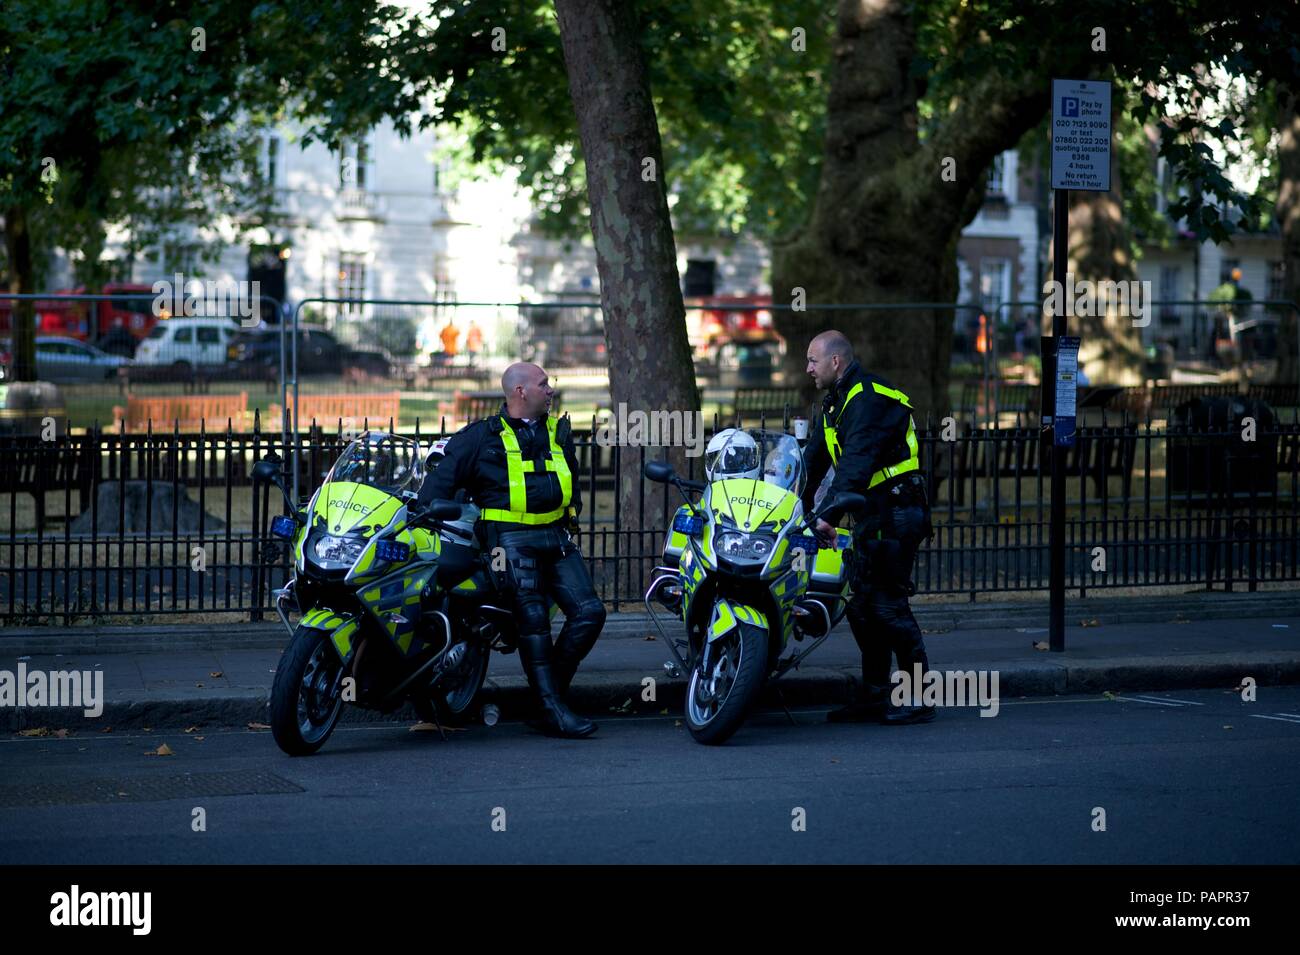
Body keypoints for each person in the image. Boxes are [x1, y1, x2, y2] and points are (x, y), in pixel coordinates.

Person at [417, 362, 604, 738]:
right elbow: (436, 487)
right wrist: (430, 513)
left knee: (590, 614)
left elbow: (572, 485)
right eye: (543, 384)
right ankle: (551, 709)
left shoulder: (558, 432)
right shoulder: (479, 437)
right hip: (509, 540)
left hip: (555, 537)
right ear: (520, 392)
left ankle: (547, 697)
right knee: (532, 622)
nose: (550, 390)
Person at [801, 330, 936, 725]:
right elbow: (812, 464)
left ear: (835, 362)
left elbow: (856, 463)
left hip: (898, 510)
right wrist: (789, 504)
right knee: (861, 608)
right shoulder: (836, 404)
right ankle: (876, 695)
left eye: (813, 360)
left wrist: (829, 516)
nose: (808, 368)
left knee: (888, 607)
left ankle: (920, 698)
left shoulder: (869, 398)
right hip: (874, 515)